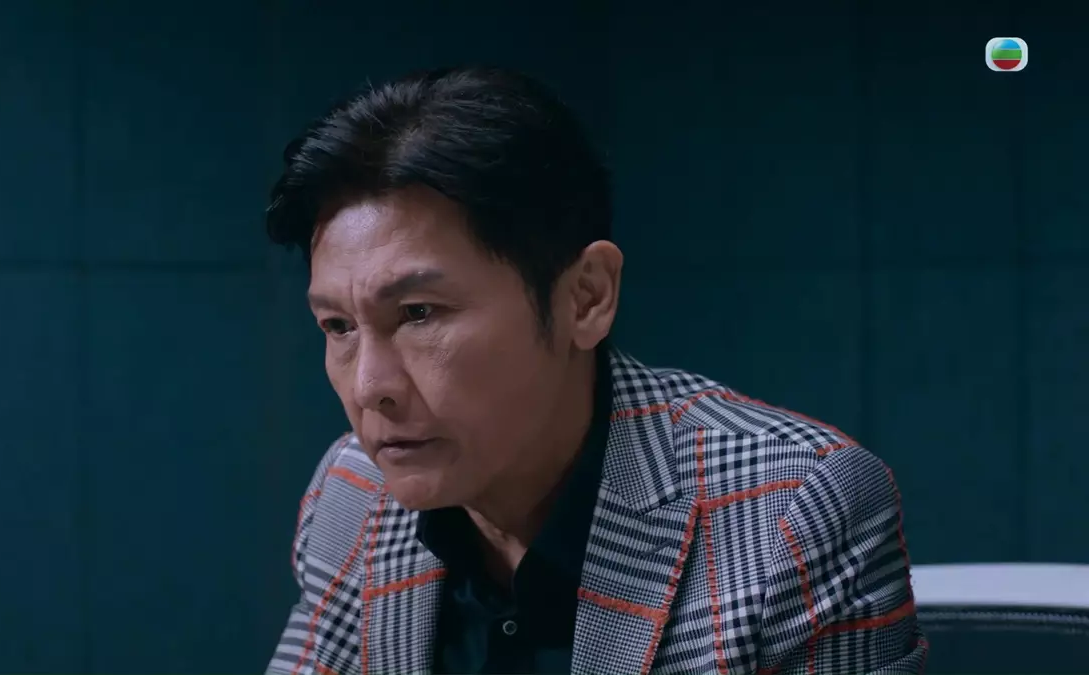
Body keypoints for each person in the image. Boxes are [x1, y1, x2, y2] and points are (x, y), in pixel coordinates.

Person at [263, 66, 926, 675]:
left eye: (417, 313)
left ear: (586, 297)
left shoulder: (791, 511)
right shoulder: (354, 490)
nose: (368, 386)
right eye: (338, 326)